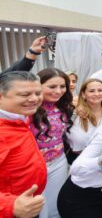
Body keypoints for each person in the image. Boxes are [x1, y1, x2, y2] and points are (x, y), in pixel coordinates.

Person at [0, 71, 47, 218]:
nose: (34, 99)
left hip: (27, 204)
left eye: (38, 93)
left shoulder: (19, 116)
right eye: (24, 95)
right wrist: (10, 206)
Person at [28, 68, 74, 218]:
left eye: (62, 86)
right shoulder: (27, 109)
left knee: (56, 206)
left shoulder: (65, 107)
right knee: (39, 208)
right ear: (38, 86)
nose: (58, 91)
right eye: (52, 86)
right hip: (33, 167)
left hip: (59, 162)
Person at [65, 78, 102, 164]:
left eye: (100, 90)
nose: (96, 94)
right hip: (76, 160)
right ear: (83, 94)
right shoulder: (73, 114)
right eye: (92, 91)